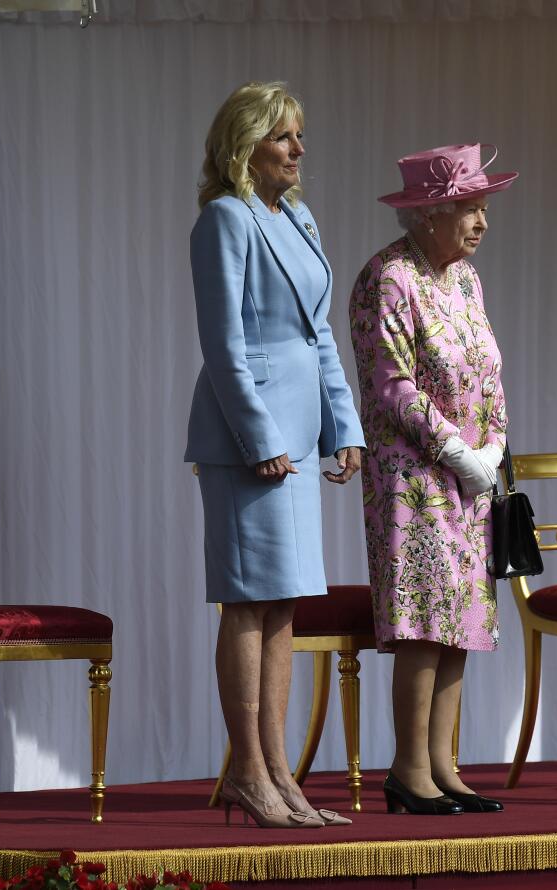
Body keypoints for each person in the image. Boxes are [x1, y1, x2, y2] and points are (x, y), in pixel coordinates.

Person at [186, 81, 364, 828]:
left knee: (284, 604)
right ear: (245, 147)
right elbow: (224, 343)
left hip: (299, 430)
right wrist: (259, 438)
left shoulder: (297, 216)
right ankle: (248, 772)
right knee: (248, 600)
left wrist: (344, 424)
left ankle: (279, 770)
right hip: (246, 438)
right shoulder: (224, 220)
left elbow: (318, 333)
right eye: (284, 137)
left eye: (299, 135)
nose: (298, 149)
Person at [349, 144, 515, 815]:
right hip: (412, 477)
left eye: (482, 208)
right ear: (428, 214)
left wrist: (495, 445)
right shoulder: (387, 278)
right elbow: (389, 384)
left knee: (462, 620)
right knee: (423, 621)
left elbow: (489, 369)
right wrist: (456, 449)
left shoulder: (467, 280)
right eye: (469, 208)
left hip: (469, 480)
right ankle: (408, 770)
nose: (481, 222)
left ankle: (445, 763)